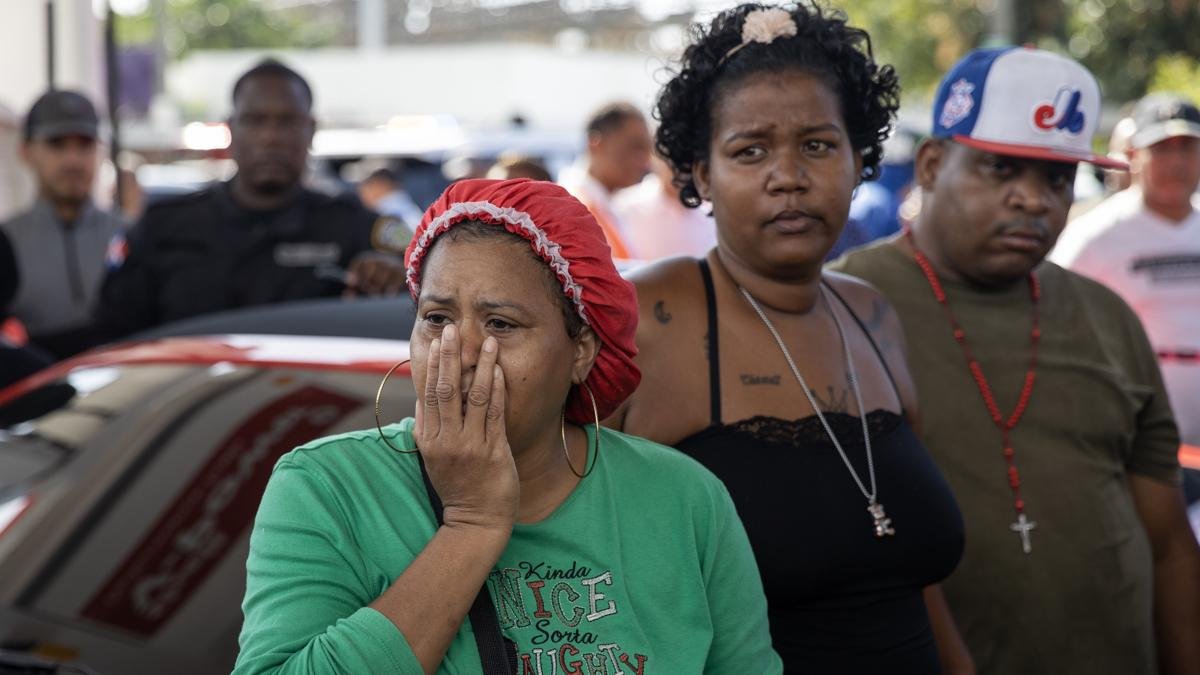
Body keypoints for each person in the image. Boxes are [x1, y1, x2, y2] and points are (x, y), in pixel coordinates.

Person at [233, 178, 782, 674]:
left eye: (501, 323)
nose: (461, 352)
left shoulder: (684, 500)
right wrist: (471, 525)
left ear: (581, 352)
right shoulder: (326, 488)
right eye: (437, 319)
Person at [609, 5, 971, 672]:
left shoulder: (873, 315)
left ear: (859, 158)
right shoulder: (648, 318)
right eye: (751, 150)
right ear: (700, 174)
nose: (789, 176)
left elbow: (915, 583)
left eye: (817, 144)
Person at [831, 47, 1200, 675]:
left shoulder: (1107, 316)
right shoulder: (842, 305)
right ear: (931, 164)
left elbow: (1168, 543)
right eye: (1001, 169)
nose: (1033, 200)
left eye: (1056, 179)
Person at [94, 59, 407, 339]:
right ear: (231, 129)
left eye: (286, 122)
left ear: (310, 130)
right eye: (255, 121)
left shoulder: (353, 225)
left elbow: (424, 286)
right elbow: (114, 336)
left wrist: (395, 278)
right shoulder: (163, 226)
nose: (270, 137)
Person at [1051, 94, 1200, 447]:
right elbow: (1048, 312)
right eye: (1162, 149)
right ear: (1134, 156)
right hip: (1132, 423)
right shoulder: (1095, 234)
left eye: (1188, 147)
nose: (1176, 162)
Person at [0, 90, 125, 359]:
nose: (73, 160)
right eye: (57, 144)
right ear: (26, 151)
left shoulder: (129, 235)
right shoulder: (7, 242)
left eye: (84, 144)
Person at [559, 102, 652, 260]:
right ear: (596, 145)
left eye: (647, 149)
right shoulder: (575, 206)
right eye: (634, 147)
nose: (645, 160)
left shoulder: (605, 203)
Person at [612, 153, 717, 259]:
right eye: (671, 160)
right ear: (654, 159)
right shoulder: (624, 207)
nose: (678, 169)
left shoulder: (714, 209)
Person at [357, 165, 425, 233]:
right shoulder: (401, 203)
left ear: (381, 184)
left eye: (369, 186)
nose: (363, 194)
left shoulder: (390, 207)